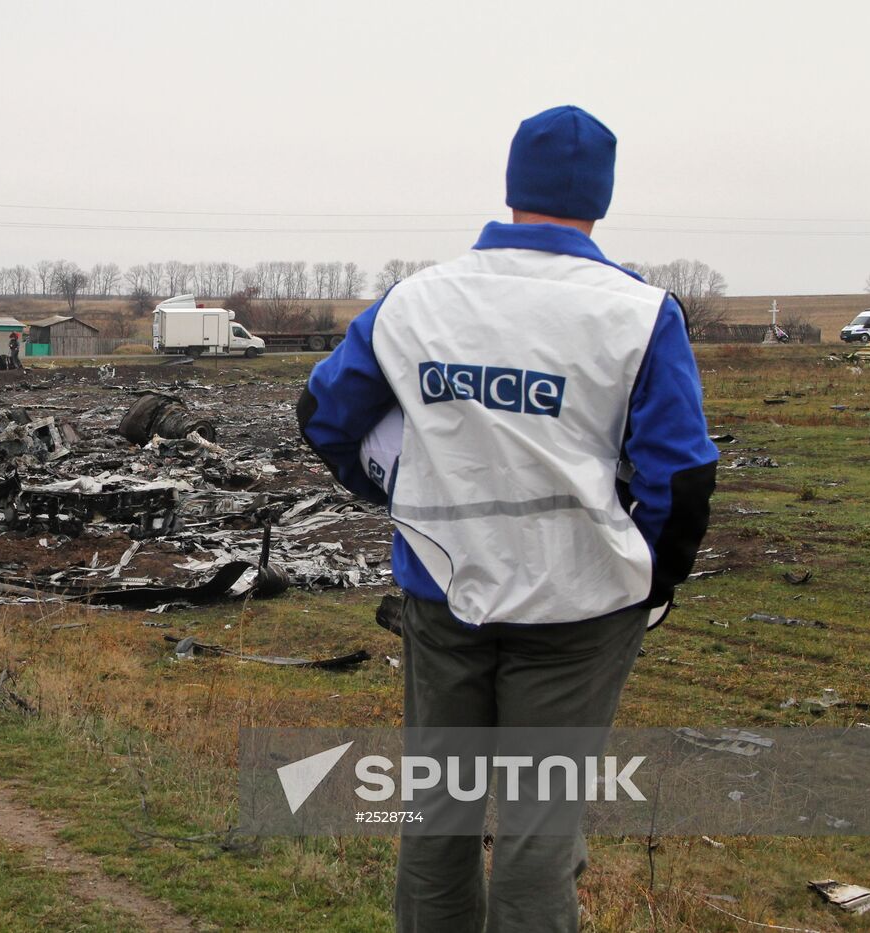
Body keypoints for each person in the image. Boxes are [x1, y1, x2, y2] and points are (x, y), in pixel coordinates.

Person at [298, 105, 717, 932]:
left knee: (438, 815)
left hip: (444, 597)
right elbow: (682, 472)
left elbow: (324, 413)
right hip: (580, 613)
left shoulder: (417, 302)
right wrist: (654, 582)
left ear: (512, 186)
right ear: (600, 198)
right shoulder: (637, 314)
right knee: (538, 830)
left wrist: (400, 497)